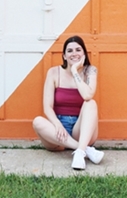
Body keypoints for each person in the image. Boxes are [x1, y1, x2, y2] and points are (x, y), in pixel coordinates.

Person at [32, 35, 105, 170]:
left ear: (84, 53)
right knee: (37, 121)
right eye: (69, 51)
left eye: (78, 49)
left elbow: (87, 94)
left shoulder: (90, 70)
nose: (74, 53)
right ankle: (84, 150)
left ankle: (80, 152)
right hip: (57, 133)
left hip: (82, 130)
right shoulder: (53, 72)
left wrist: (74, 70)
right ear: (64, 56)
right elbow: (47, 107)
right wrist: (58, 125)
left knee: (91, 103)